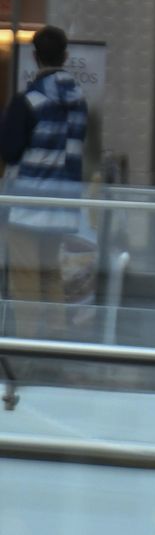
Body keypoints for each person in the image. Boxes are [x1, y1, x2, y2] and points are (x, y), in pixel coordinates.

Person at [0, 26, 88, 338]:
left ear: (35, 57)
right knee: (51, 275)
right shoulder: (79, 102)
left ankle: (26, 348)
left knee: (24, 279)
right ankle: (55, 344)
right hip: (62, 203)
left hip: (26, 205)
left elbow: (9, 151)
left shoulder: (29, 101)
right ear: (65, 56)